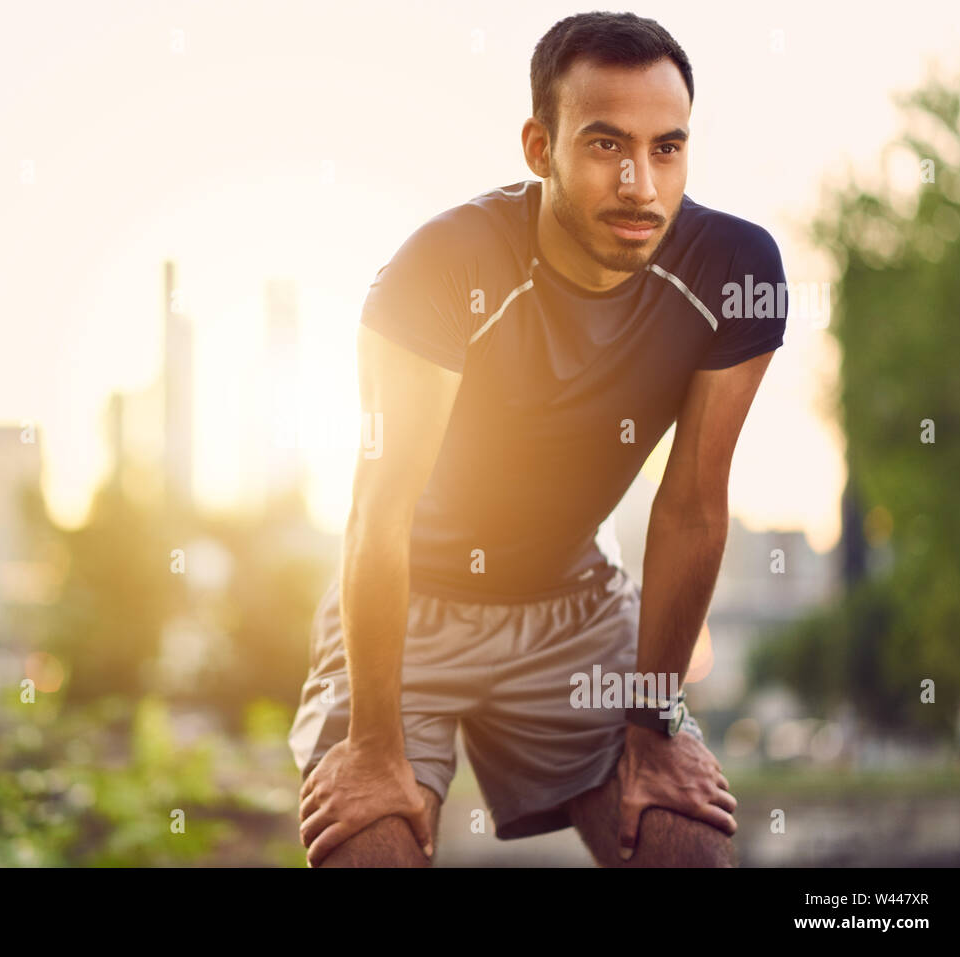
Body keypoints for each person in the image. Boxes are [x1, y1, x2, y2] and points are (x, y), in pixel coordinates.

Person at [289, 11, 788, 867]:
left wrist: (655, 721)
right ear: (537, 145)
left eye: (667, 148)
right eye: (605, 145)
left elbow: (694, 507)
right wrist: (374, 744)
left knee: (686, 845)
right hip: (404, 610)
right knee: (368, 847)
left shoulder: (736, 273)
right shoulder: (439, 269)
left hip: (574, 610)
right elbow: (379, 512)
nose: (640, 183)